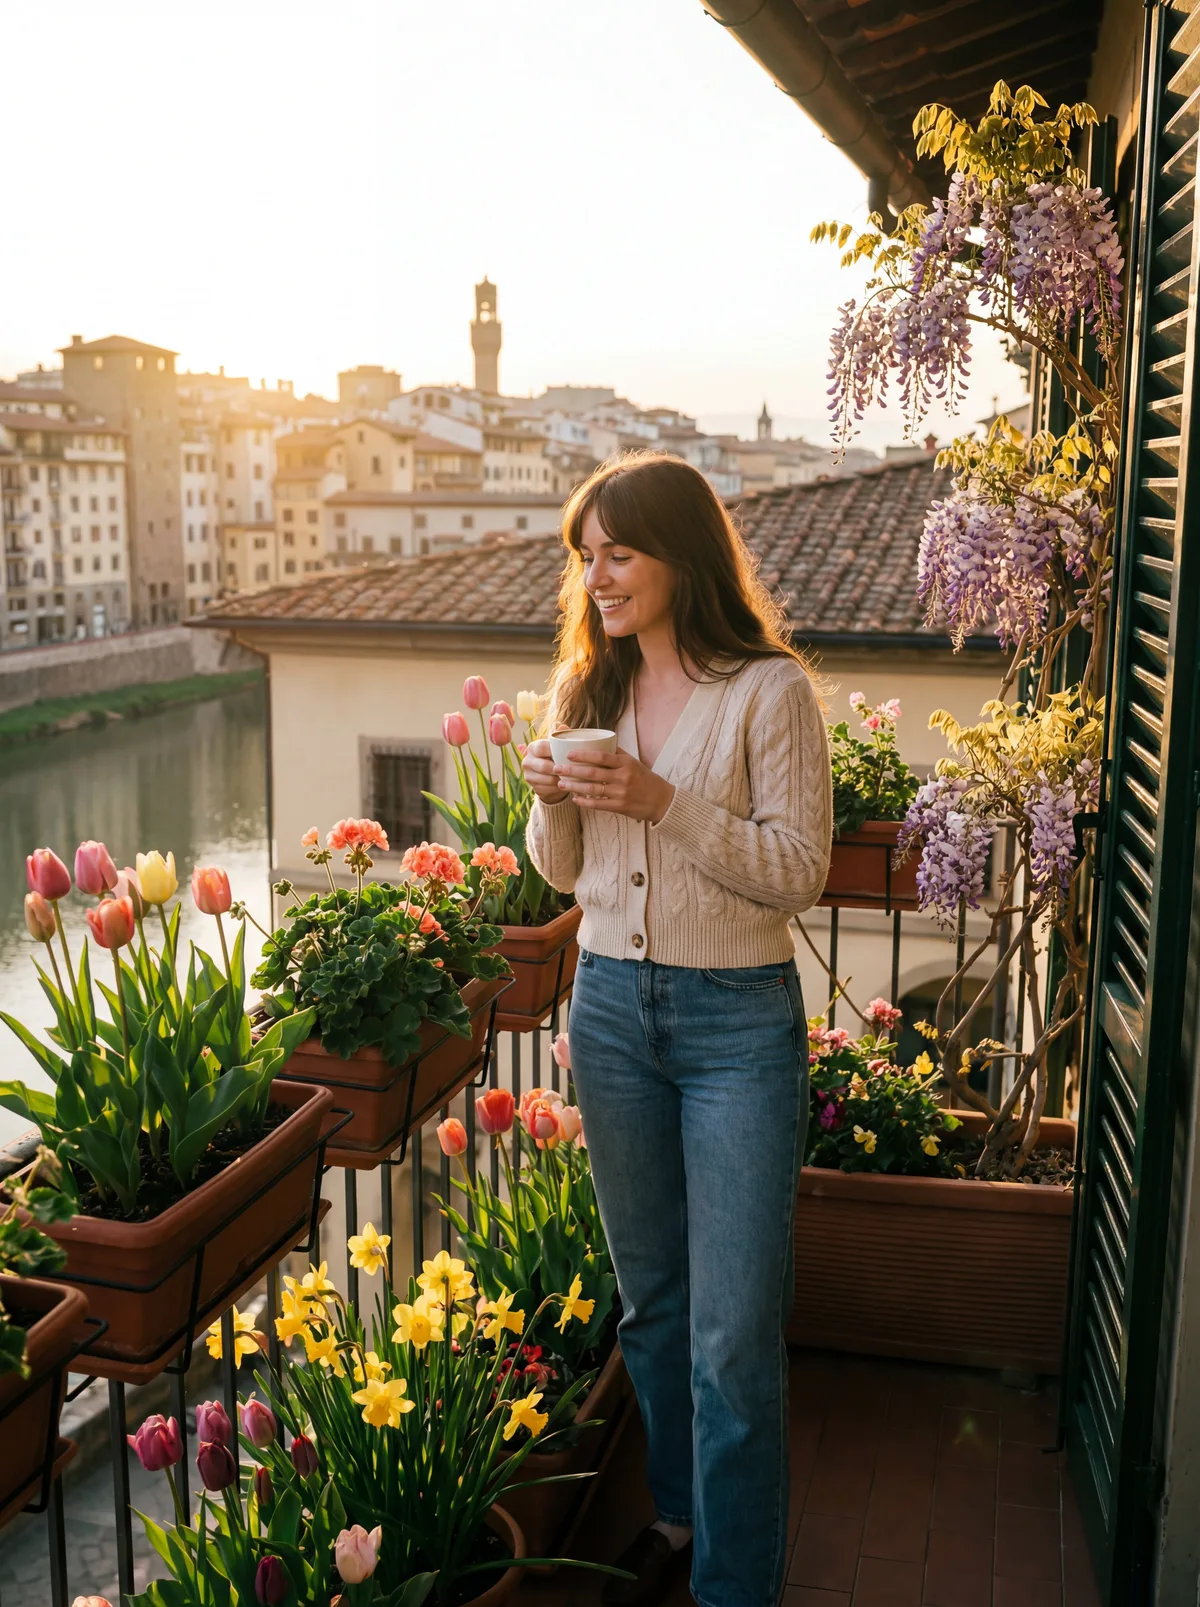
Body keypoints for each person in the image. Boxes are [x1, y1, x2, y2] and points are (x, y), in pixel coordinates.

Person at [523, 452, 832, 1607]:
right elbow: (562, 876)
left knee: (735, 1331)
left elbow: (795, 871)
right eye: (586, 554)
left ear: (679, 555)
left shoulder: (769, 691)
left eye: (620, 551)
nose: (597, 575)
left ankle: (735, 1584)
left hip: (736, 1026)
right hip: (608, 1010)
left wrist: (663, 802)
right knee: (652, 1302)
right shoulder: (584, 691)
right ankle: (683, 1514)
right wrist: (551, 795)